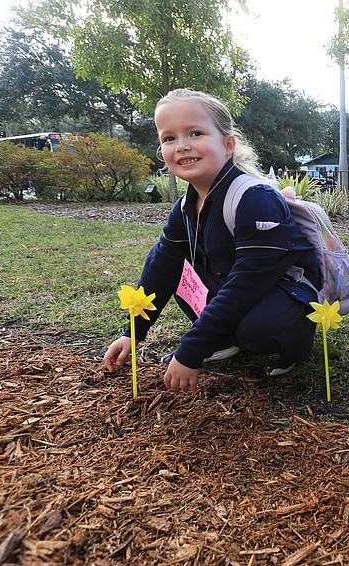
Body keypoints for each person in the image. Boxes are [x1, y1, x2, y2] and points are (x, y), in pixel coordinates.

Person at [103, 88, 320, 393]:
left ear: (228, 144)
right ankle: (222, 338)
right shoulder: (185, 206)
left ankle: (293, 344)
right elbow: (162, 268)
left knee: (257, 328)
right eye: (169, 138)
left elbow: (248, 282)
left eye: (195, 133)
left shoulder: (255, 199)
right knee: (177, 268)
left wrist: (192, 348)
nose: (181, 146)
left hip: (281, 291)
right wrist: (133, 332)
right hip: (235, 288)